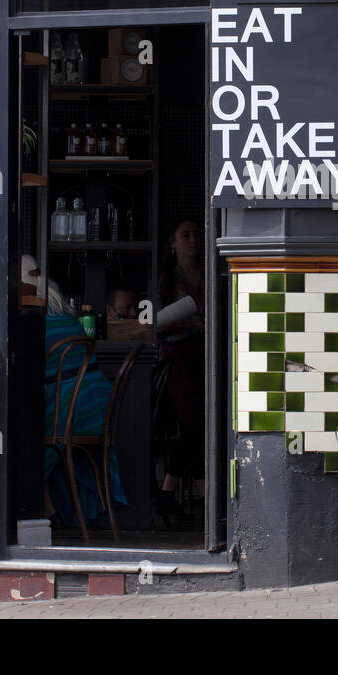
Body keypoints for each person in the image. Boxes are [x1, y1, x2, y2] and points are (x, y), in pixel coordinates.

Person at [155, 217, 204, 528]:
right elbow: (154, 323)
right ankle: (177, 495)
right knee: (192, 424)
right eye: (185, 235)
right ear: (172, 243)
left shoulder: (210, 273)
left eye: (196, 235)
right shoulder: (166, 279)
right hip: (177, 356)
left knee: (203, 425)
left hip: (205, 354)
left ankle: (173, 496)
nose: (193, 241)